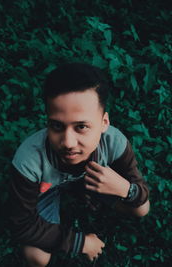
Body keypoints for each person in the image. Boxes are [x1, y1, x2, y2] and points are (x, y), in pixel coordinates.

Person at [9, 62, 150, 267]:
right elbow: (21, 223)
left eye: (81, 126)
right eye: (57, 125)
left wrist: (125, 189)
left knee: (142, 208)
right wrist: (80, 242)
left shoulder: (114, 143)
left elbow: (141, 190)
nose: (67, 142)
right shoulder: (29, 160)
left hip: (92, 181)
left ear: (104, 122)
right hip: (46, 189)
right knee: (37, 258)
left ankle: (84, 192)